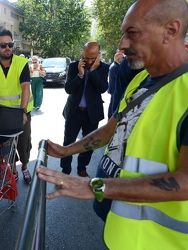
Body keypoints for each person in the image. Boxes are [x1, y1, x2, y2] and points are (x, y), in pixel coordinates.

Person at [36, 0, 188, 249]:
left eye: (132, 33)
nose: (122, 44)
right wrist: (67, 150)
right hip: (119, 231)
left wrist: (96, 185)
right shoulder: (140, 78)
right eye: (122, 34)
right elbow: (112, 129)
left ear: (171, 30)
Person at [0, 29, 33, 184]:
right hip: (3, 114)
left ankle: (24, 166)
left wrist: (22, 111)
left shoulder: (22, 63)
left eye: (10, 44)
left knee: (24, 143)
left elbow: (25, 87)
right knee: (7, 145)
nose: (7, 48)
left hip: (22, 111)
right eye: (3, 45)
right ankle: (13, 168)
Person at [60, 42, 109, 177]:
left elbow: (103, 88)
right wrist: (80, 75)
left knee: (89, 143)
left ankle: (82, 167)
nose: (88, 61)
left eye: (92, 58)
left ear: (98, 56)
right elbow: (68, 89)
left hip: (91, 114)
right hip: (74, 112)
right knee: (68, 142)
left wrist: (93, 71)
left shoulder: (104, 68)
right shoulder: (73, 66)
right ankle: (65, 170)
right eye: (86, 58)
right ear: (82, 54)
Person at [107, 50, 124, 119]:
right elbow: (121, 79)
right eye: (123, 58)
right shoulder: (116, 67)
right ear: (119, 59)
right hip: (114, 90)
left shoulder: (114, 66)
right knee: (113, 107)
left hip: (113, 89)